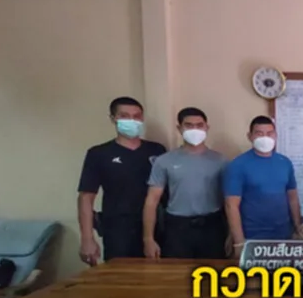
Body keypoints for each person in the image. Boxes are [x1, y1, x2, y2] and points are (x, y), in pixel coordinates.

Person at [77, 97, 167, 265]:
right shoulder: (99, 154)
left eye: (136, 116)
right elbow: (86, 198)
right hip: (118, 228)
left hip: (156, 227)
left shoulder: (157, 150)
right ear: (113, 118)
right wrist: (87, 238)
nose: (132, 120)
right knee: (121, 276)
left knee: (158, 275)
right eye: (124, 116)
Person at [143, 108, 228, 260]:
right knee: (176, 272)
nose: (195, 129)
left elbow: (229, 201)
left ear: (206, 128)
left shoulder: (220, 160)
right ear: (179, 128)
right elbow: (152, 201)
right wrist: (148, 238)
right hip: (177, 228)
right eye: (189, 125)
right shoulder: (164, 161)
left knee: (212, 271)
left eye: (199, 125)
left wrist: (232, 235)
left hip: (212, 227)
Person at [223, 116, 303, 250]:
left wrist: (298, 226)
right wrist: (239, 242)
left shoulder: (285, 163)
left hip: (284, 235)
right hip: (252, 238)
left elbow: (292, 197)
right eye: (259, 133)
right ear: (250, 136)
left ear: (275, 135)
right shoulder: (238, 165)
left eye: (269, 133)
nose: (265, 138)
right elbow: (231, 206)